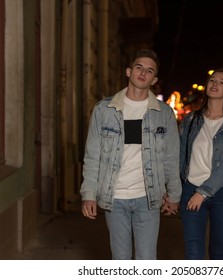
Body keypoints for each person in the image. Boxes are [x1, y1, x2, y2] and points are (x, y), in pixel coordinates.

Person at [80, 49, 181, 260]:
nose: (143, 73)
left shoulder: (163, 113)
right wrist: (88, 194)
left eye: (149, 70)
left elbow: (171, 157)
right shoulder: (104, 110)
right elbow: (92, 156)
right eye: (139, 67)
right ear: (128, 72)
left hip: (148, 198)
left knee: (146, 260)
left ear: (154, 79)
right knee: (121, 260)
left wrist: (174, 194)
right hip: (114, 197)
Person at [179, 68, 223, 260]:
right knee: (193, 255)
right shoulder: (191, 120)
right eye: (212, 80)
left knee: (218, 254)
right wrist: (174, 190)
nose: (215, 84)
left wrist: (203, 192)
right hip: (190, 190)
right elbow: (180, 156)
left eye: (221, 82)